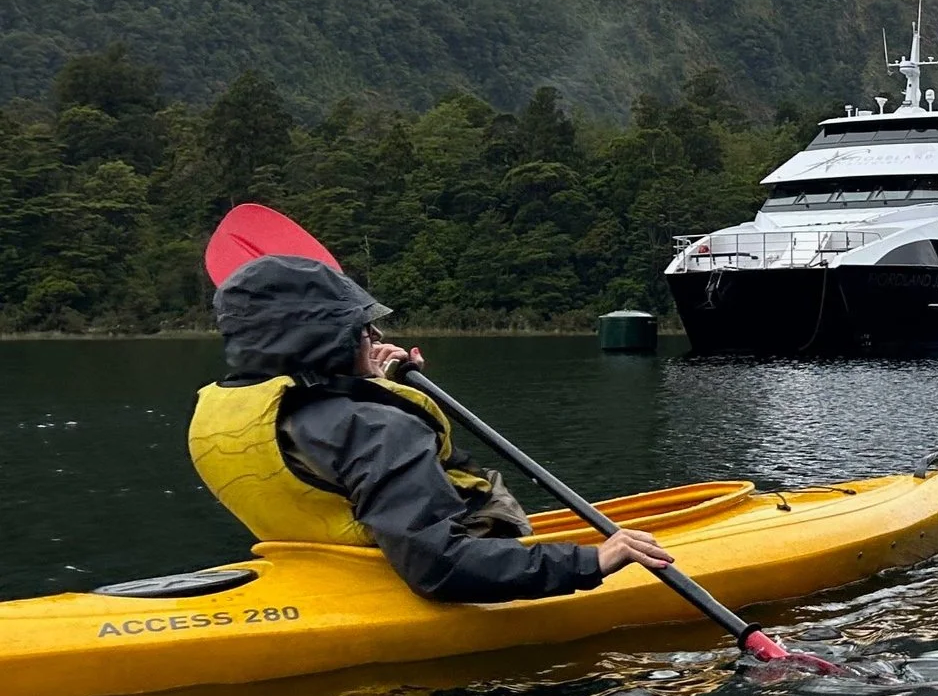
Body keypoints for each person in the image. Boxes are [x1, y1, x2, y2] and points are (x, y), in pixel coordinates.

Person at [188, 254, 673, 603]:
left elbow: (325, 458)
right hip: (429, 575)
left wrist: (369, 384)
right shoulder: (377, 429)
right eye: (363, 329)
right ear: (328, 340)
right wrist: (592, 562)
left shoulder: (230, 410)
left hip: (319, 571)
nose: (375, 337)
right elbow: (439, 565)